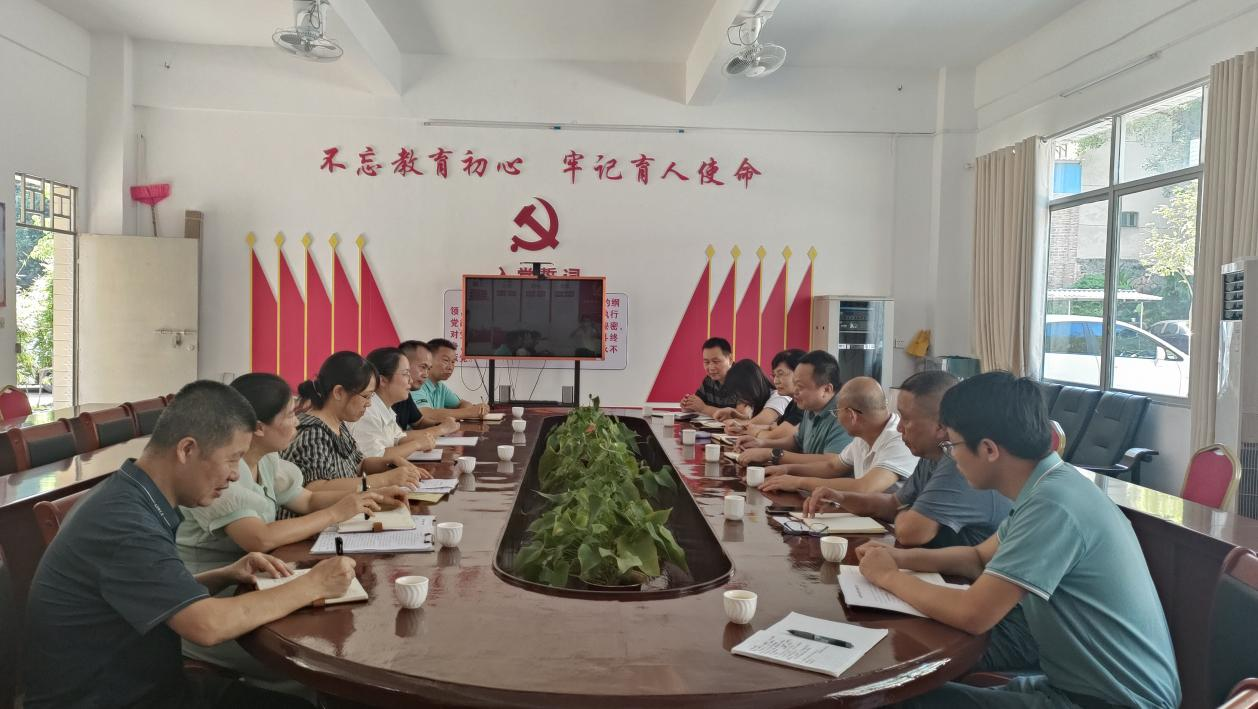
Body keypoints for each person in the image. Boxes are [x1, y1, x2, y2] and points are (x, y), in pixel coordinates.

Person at [23, 381, 357, 709]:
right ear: (187, 450)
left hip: (153, 687)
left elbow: (151, 592)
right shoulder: (124, 522)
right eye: (232, 460)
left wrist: (225, 574)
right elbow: (207, 626)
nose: (235, 475)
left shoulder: (134, 494)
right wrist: (314, 584)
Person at [857, 372, 1180, 709]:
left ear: (989, 449)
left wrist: (888, 577)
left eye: (952, 446)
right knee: (903, 696)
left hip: (1110, 702)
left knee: (889, 701)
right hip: (1070, 687)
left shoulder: (1054, 505)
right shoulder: (1050, 485)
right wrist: (899, 559)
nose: (951, 457)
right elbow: (978, 559)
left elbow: (973, 614)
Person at [176, 373, 407, 692]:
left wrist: (366, 497)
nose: (297, 422)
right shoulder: (220, 473)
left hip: (257, 585)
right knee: (324, 661)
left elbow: (306, 499)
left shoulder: (266, 460)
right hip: (218, 606)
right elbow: (259, 538)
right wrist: (336, 513)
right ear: (258, 427)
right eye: (289, 415)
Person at [801, 371, 1011, 548]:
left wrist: (907, 511)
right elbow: (893, 503)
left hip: (964, 579)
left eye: (907, 419)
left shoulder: (958, 461)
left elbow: (911, 532)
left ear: (940, 426)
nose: (900, 427)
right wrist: (841, 498)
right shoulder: (930, 455)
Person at [283, 351, 429, 494]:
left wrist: (391, 463)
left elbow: (360, 465)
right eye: (366, 396)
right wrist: (385, 479)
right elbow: (316, 488)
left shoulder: (339, 424)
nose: (369, 404)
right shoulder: (312, 432)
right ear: (339, 392)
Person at [759, 377, 918, 495]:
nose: (837, 417)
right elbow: (833, 467)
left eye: (837, 412)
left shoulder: (899, 439)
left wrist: (799, 482)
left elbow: (864, 487)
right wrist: (787, 469)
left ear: (851, 415)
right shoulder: (864, 436)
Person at [736, 350, 852, 467]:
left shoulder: (844, 413)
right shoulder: (810, 407)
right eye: (794, 384)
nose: (795, 391)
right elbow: (797, 442)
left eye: (800, 386)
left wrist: (771, 454)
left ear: (826, 389)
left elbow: (832, 462)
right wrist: (760, 444)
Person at [352, 347, 448, 459]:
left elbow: (399, 438)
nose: (410, 380)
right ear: (383, 380)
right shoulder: (367, 411)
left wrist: (424, 440)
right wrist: (417, 444)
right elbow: (373, 459)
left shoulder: (385, 407)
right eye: (406, 374)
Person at [725, 349, 806, 436]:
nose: (776, 381)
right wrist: (741, 426)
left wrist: (744, 429)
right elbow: (774, 427)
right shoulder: (793, 404)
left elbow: (775, 434)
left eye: (781, 374)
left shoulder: (784, 398)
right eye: (774, 375)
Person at [412, 338, 490, 422]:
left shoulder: (440, 387)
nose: (450, 367)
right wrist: (471, 412)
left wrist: (471, 411)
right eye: (446, 360)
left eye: (453, 362)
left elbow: (463, 403)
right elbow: (424, 415)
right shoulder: (415, 385)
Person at [393, 340, 458, 432]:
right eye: (423, 367)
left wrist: (441, 424)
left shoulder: (405, 394)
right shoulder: (379, 401)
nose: (426, 375)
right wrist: (440, 429)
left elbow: (419, 423)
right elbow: (396, 437)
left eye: (428, 369)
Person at [680, 337, 739, 415]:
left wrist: (704, 408)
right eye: (706, 362)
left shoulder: (745, 379)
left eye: (716, 361)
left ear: (730, 359)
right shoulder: (708, 380)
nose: (711, 368)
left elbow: (742, 416)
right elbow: (697, 404)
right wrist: (688, 405)